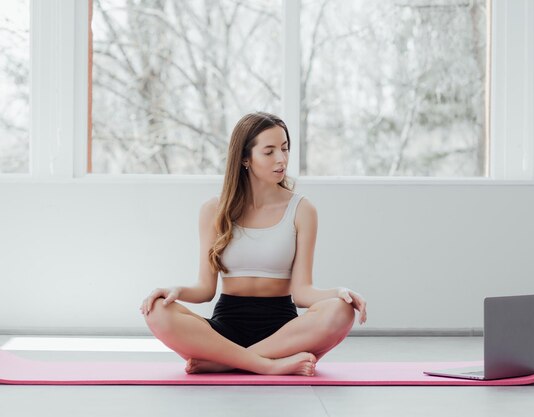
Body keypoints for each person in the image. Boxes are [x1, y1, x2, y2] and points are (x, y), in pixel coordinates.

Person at [139, 112, 367, 376]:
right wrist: (174, 290)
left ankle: (227, 362)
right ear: (245, 158)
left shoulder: (302, 209)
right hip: (225, 327)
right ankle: (266, 364)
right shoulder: (213, 210)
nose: (281, 159)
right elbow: (204, 289)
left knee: (342, 311)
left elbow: (303, 293)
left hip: (282, 331)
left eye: (284, 148)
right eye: (269, 151)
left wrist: (339, 293)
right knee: (156, 311)